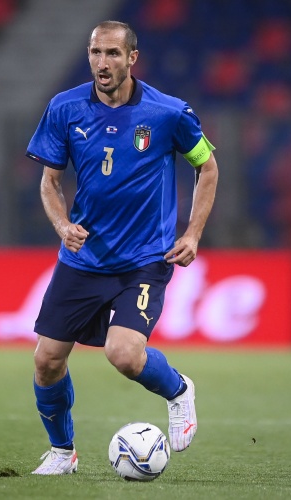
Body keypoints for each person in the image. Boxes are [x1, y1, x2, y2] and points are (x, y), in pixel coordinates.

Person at [25, 20, 218, 475]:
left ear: (132, 58)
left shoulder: (168, 113)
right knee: (47, 361)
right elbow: (50, 182)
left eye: (112, 53)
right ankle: (62, 453)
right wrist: (62, 225)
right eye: (95, 52)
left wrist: (192, 234)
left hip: (144, 260)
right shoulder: (65, 107)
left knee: (124, 354)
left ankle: (178, 390)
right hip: (85, 256)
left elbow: (207, 167)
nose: (102, 62)